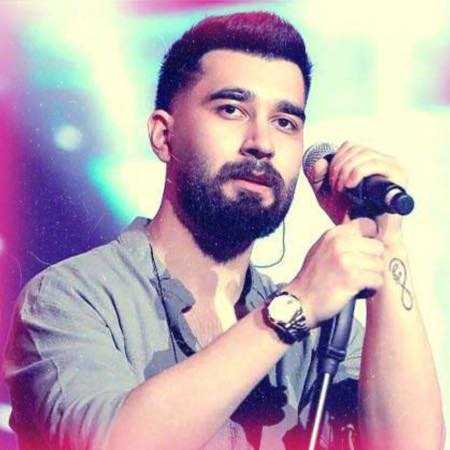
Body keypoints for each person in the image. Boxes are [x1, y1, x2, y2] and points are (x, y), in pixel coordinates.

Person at [4, 11, 444, 450]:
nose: (262, 143)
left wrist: (385, 239)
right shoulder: (70, 298)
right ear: (163, 135)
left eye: (285, 122)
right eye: (231, 110)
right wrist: (291, 311)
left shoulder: (319, 333)